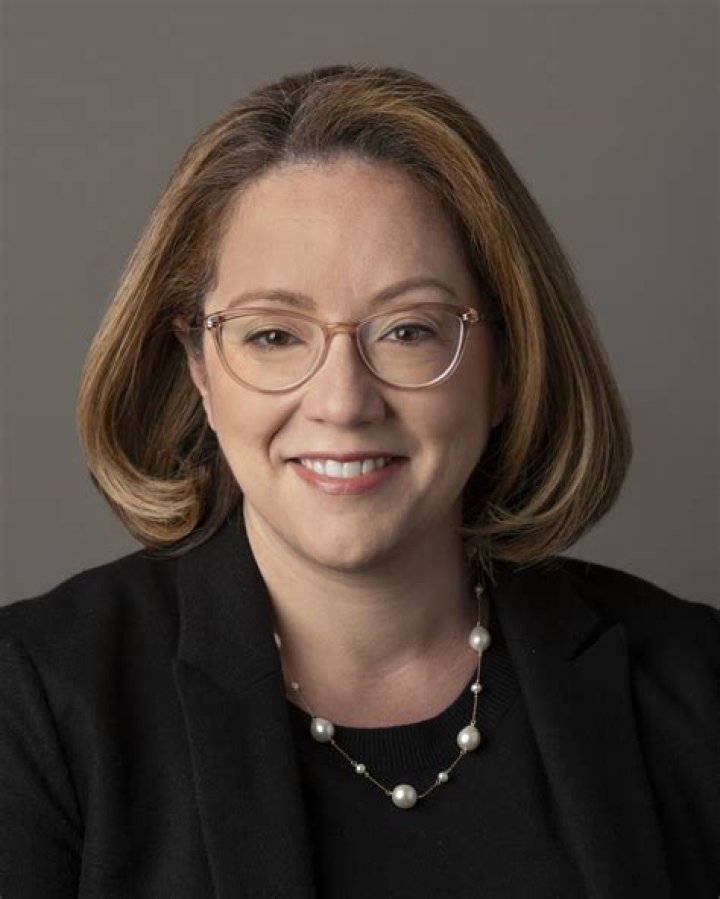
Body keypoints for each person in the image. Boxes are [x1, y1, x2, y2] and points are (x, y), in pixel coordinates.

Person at [0, 64, 717, 899]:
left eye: (408, 329)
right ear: (199, 368)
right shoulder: (36, 704)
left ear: (507, 367)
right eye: (274, 335)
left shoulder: (697, 683)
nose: (343, 401)